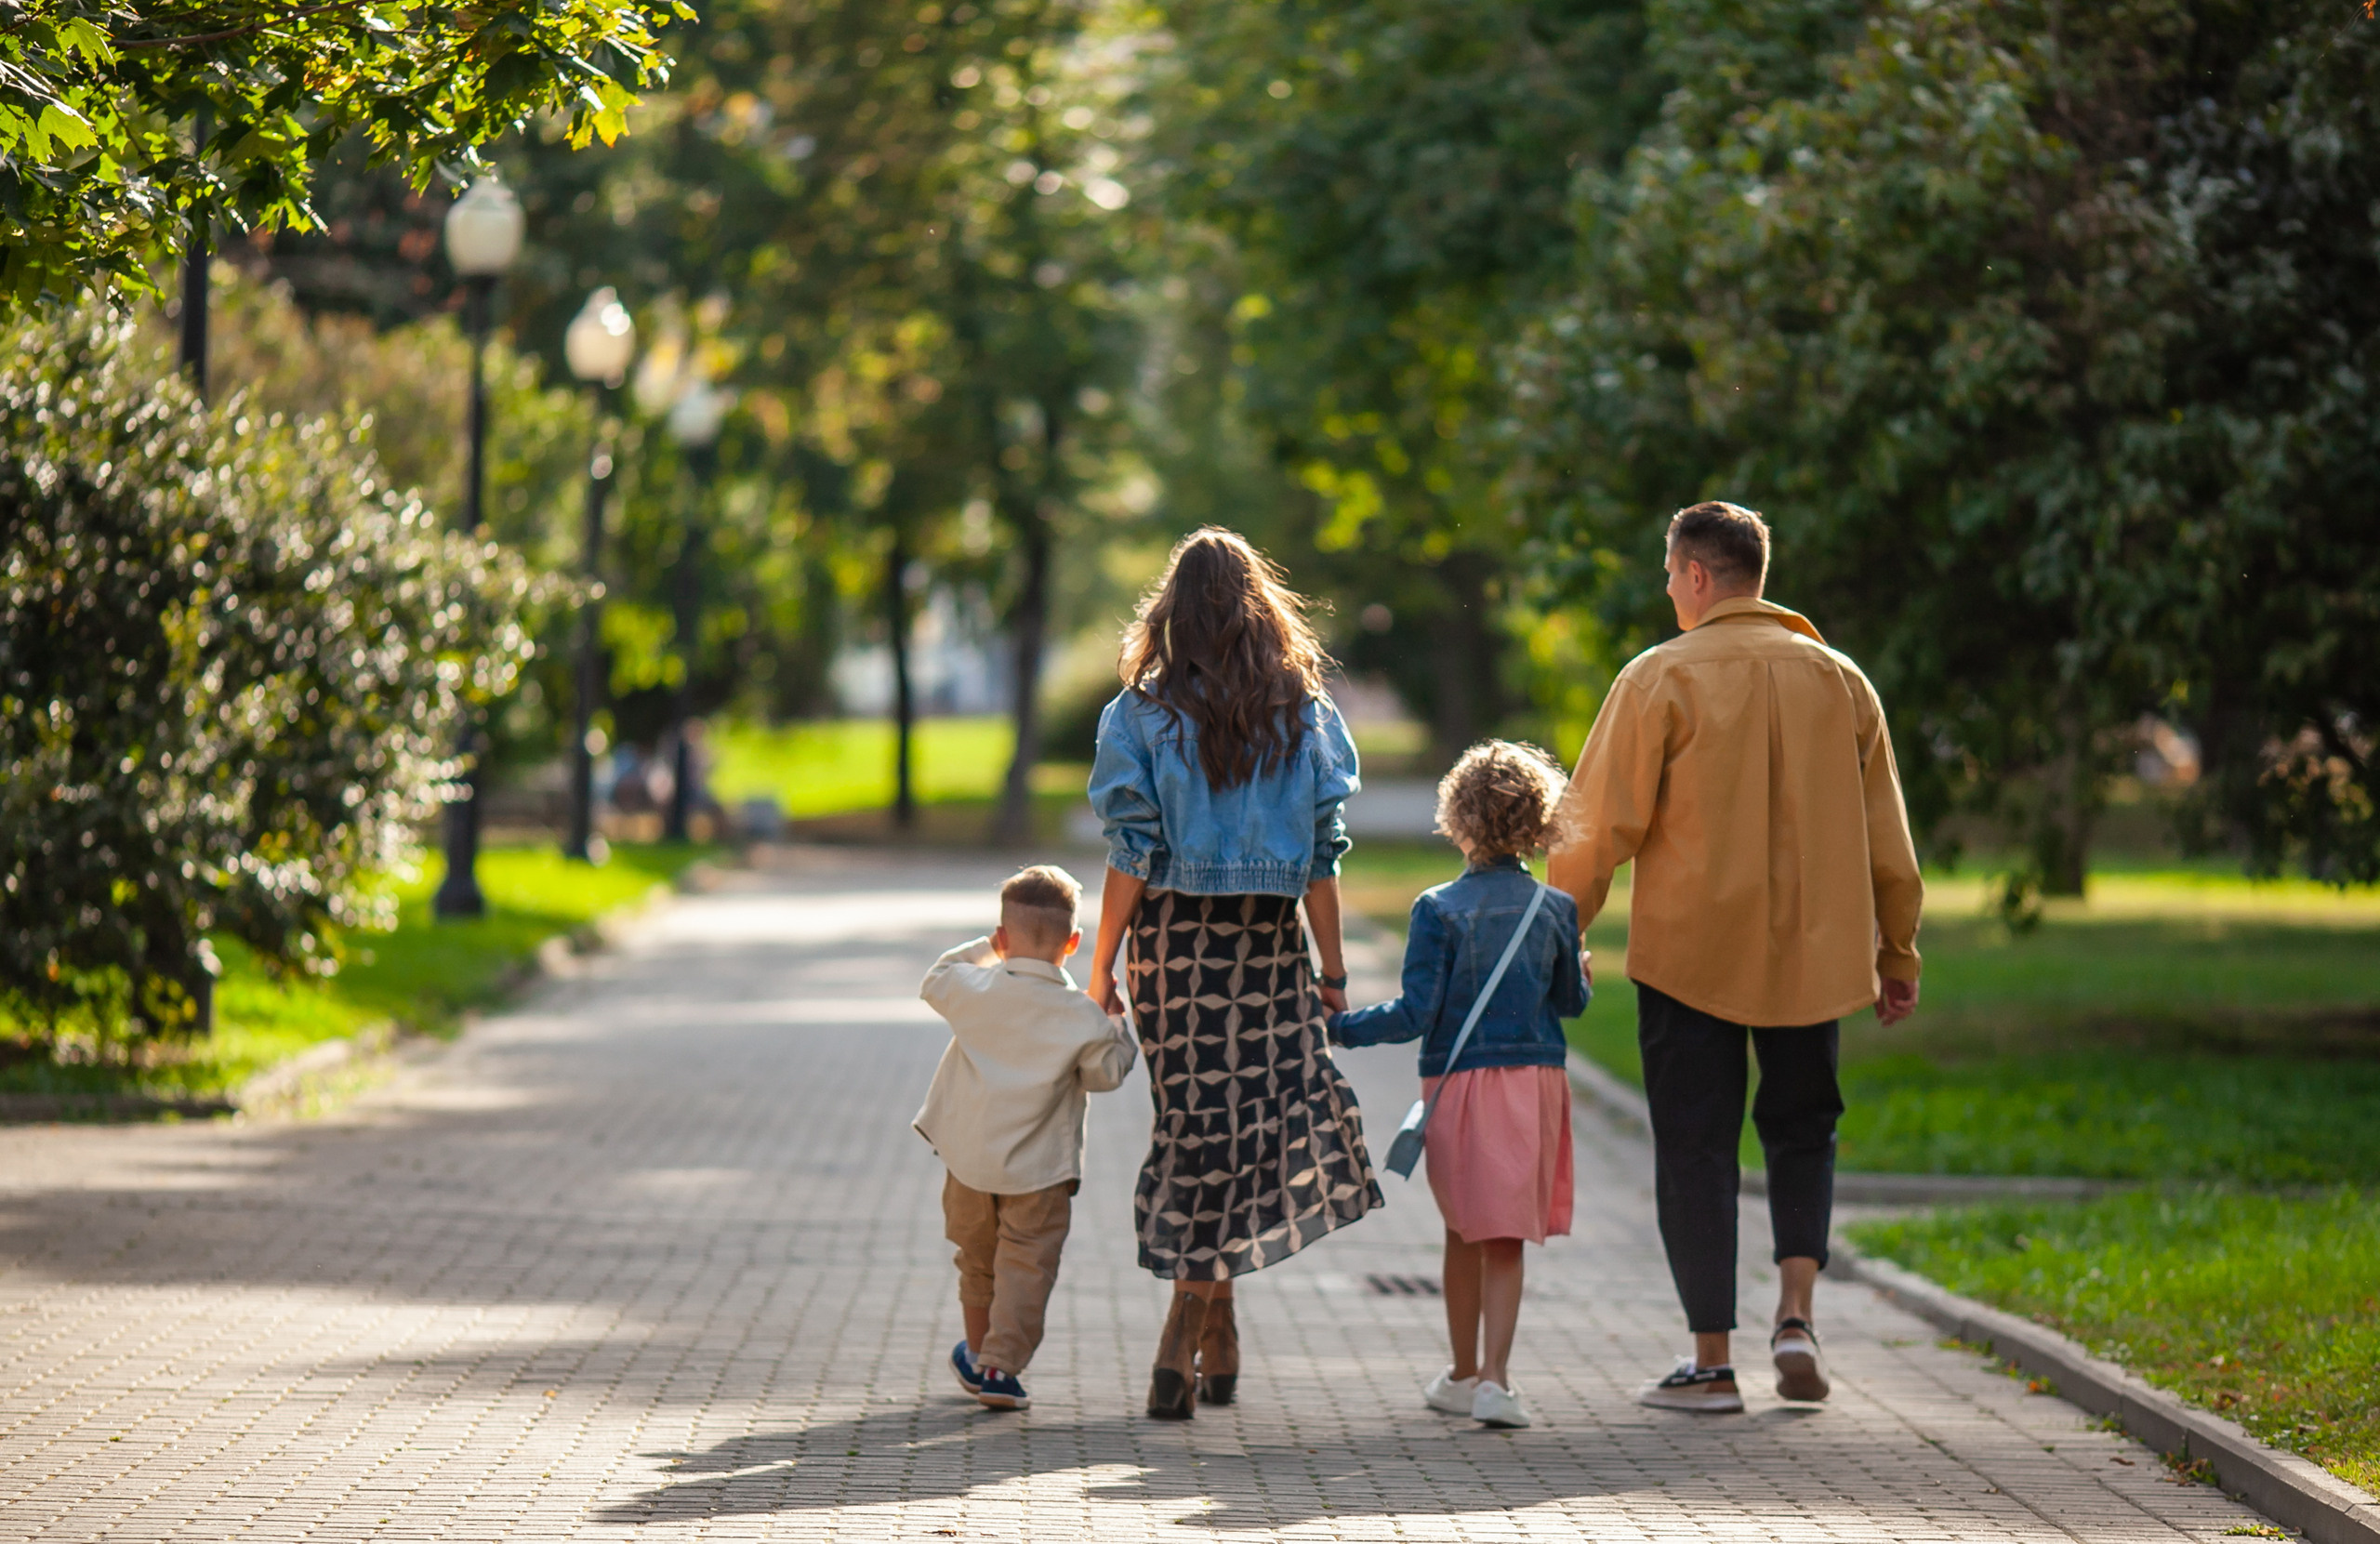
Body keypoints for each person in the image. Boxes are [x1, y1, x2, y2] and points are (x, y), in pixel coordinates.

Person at [1548, 500, 1924, 1413]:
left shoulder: (1656, 678)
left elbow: (1597, 829)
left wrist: (1565, 932)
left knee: (1695, 1149)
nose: (1668, 588)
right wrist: (1896, 947)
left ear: (1700, 575)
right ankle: (1796, 1315)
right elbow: (1887, 834)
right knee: (1804, 1131)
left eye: (1671, 572)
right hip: (1815, 958)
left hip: (1690, 958)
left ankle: (1711, 1363)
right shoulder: (1842, 681)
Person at [1086, 526, 1382, 1420]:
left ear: (1173, 610)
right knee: (1247, 1134)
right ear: (1260, 610)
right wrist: (1333, 971)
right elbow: (1323, 858)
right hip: (1265, 948)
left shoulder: (1136, 716)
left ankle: (1189, 1328)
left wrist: (1100, 967)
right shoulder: (1308, 715)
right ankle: (1212, 1329)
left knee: (1195, 1130)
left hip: (1175, 951)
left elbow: (1131, 855)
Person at [1329, 741, 1588, 1430]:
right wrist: (1579, 967)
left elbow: (1416, 1012)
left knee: (1462, 1227)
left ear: (1459, 819)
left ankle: (1464, 1370)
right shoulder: (1555, 909)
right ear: (1539, 823)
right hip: (1532, 1082)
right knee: (1505, 1235)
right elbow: (1571, 1003)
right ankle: (1495, 1381)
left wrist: (1341, 1026)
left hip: (1458, 1082)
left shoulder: (1436, 908)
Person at [915, 864, 1139, 1413]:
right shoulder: (1081, 1017)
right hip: (1039, 1173)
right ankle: (1000, 1365)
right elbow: (1105, 1076)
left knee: (978, 1259)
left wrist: (988, 950)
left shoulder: (973, 988)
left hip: (968, 1163)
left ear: (1002, 936)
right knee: (1026, 1265)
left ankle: (975, 1351)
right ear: (1073, 942)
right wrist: (1115, 1024)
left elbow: (937, 976)